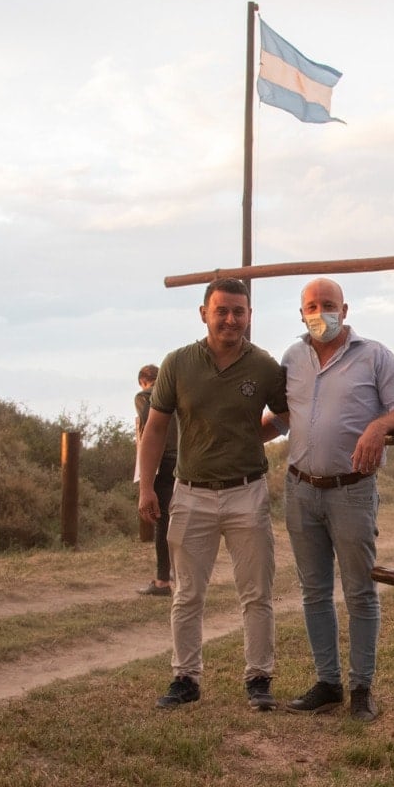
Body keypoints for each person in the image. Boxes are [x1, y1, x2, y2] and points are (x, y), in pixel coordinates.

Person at [270, 277, 394, 723]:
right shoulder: (291, 358)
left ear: (346, 309)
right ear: (302, 313)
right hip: (300, 490)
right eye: (312, 306)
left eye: (329, 304)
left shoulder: (374, 355)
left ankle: (361, 689)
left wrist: (378, 428)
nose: (321, 313)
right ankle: (328, 682)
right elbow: (283, 417)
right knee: (314, 592)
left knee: (360, 591)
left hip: (352, 491)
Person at [136, 278, 288, 712]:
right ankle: (185, 677)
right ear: (203, 313)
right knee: (187, 593)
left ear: (250, 317)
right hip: (190, 494)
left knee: (256, 592)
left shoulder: (263, 366)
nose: (230, 319)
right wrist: (147, 486)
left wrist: (252, 436)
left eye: (239, 312)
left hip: (247, 493)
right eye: (221, 310)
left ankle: (259, 679)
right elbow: (156, 428)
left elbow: (284, 414)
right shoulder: (178, 363)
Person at [135, 363, 178, 597]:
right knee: (180, 518)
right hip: (183, 460)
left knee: (162, 520)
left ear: (143, 381)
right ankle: (174, 573)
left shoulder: (144, 396)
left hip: (162, 461)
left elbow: (148, 426)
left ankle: (162, 581)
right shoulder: (178, 391)